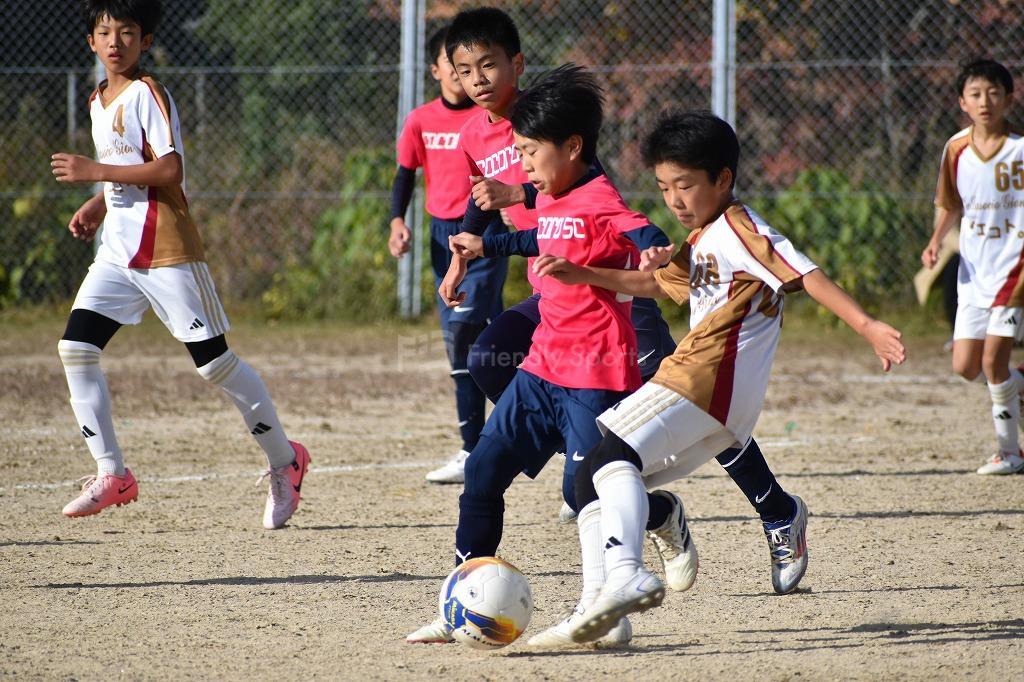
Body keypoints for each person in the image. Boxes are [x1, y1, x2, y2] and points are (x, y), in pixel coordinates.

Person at [531, 110, 906, 643]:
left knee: (608, 457)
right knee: (598, 474)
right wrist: (582, 272)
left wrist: (867, 325)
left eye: (685, 185)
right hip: (724, 403)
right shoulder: (705, 236)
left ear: (723, 179)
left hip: (704, 377)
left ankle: (626, 575)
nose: (674, 200)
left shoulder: (740, 229)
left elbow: (805, 273)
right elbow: (658, 285)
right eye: (664, 187)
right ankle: (602, 613)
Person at [408, 63, 672, 648]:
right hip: (540, 369)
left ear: (573, 147)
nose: (522, 166)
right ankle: (462, 601)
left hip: (595, 377)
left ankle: (606, 611)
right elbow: (539, 235)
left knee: (586, 495)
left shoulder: (599, 196)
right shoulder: (552, 192)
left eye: (530, 152)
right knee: (481, 472)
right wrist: (484, 245)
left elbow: (641, 227)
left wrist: (656, 252)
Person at [50, 0, 309, 529]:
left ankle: (286, 460)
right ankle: (112, 474)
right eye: (105, 32)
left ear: (145, 41)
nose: (115, 41)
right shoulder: (99, 98)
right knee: (76, 348)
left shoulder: (149, 92)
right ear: (91, 42)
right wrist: (100, 201)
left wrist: (92, 172)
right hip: (117, 254)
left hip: (165, 248)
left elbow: (170, 167)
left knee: (214, 364)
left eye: (127, 32)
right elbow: (127, 166)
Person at [387, 26, 507, 484]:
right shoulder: (420, 120)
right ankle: (479, 447)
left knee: (463, 337)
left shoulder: (488, 121)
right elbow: (404, 175)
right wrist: (398, 222)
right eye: (455, 65)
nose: (465, 75)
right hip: (442, 237)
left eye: (475, 65)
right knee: (490, 346)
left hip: (481, 234)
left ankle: (486, 446)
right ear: (437, 69)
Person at [921, 58, 1024, 475]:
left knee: (992, 363)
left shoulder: (1020, 150)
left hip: (1015, 268)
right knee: (966, 367)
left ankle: (1010, 452)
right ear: (963, 102)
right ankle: (1016, 382)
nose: (986, 102)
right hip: (973, 270)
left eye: (994, 93)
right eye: (976, 94)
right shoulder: (956, 148)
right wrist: (933, 242)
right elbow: (950, 203)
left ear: (1009, 98)